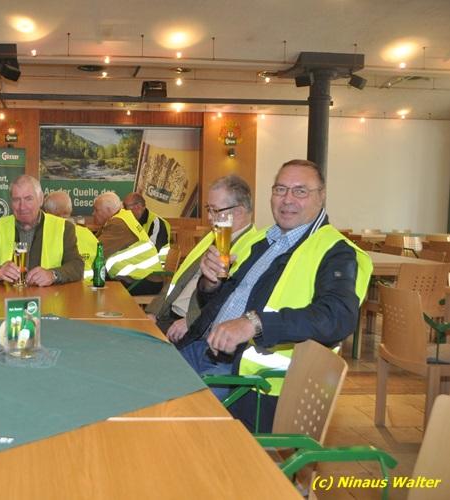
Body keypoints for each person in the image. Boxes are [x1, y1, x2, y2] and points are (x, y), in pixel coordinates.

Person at [179, 159, 372, 432]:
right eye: (280, 189)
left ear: (321, 196)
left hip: (249, 381)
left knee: (168, 421)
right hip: (203, 347)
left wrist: (255, 323)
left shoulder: (337, 252)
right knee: (138, 387)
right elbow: (218, 302)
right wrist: (209, 284)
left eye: (300, 191)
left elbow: (337, 317)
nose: (287, 199)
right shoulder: (262, 241)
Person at [146, 175, 259, 340]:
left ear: (238, 212)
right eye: (208, 209)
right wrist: (153, 311)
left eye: (215, 210)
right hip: (168, 316)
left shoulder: (253, 249)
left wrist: (190, 321)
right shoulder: (211, 236)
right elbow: (178, 280)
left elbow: (231, 302)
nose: (209, 217)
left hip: (193, 329)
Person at [0, 175, 83, 286]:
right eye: (16, 200)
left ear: (40, 200)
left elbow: (77, 266)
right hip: (8, 295)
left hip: (50, 295)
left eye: (28, 199)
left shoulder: (64, 228)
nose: (22, 207)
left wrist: (53, 275)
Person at [92, 191, 163, 295]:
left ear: (109, 210)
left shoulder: (118, 224)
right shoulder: (122, 217)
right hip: (141, 278)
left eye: (96, 210)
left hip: (143, 281)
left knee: (95, 288)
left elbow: (95, 252)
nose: (93, 214)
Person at [42, 190, 99, 281]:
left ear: (49, 212)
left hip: (61, 285)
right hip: (91, 285)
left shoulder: (47, 236)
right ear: (70, 210)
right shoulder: (87, 233)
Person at [123, 192, 171, 264]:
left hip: (155, 266)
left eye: (126, 207)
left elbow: (152, 251)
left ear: (137, 206)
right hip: (137, 264)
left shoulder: (157, 223)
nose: (124, 210)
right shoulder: (129, 220)